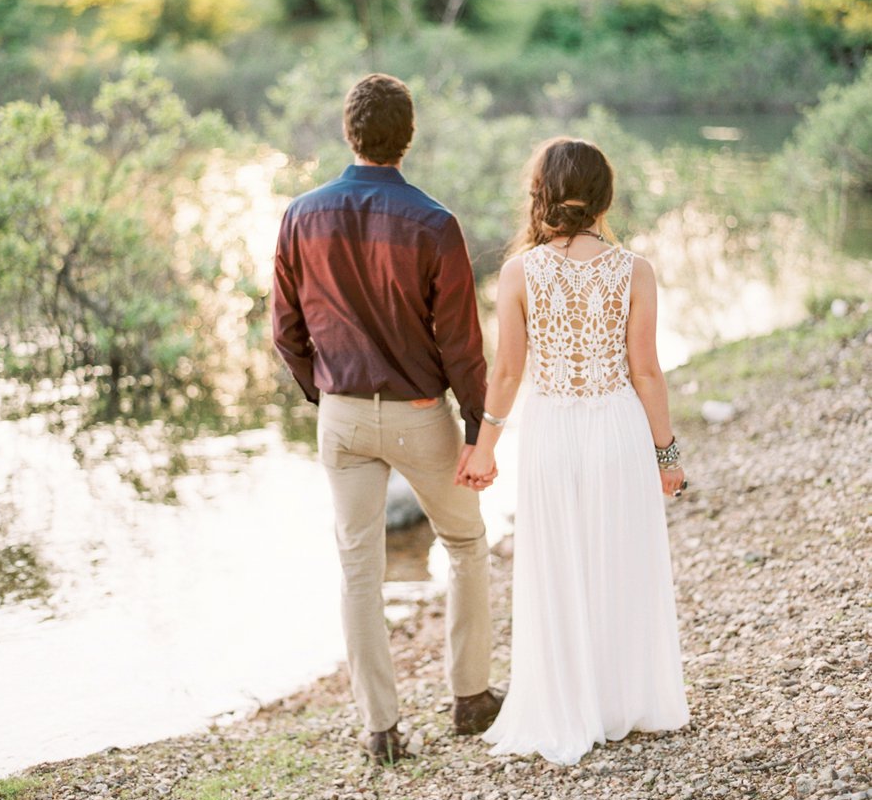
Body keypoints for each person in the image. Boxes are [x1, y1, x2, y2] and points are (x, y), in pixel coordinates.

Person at [272, 72, 503, 764]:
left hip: (341, 416)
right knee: (464, 545)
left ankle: (381, 728)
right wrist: (476, 430)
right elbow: (462, 344)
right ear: (408, 137)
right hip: (420, 413)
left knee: (358, 572)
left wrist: (328, 395)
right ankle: (470, 698)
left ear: (350, 134)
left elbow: (285, 331)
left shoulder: (300, 215)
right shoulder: (434, 222)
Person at [459, 137, 690, 764]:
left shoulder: (518, 272)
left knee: (558, 565)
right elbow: (647, 372)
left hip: (552, 431)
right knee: (620, 559)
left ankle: (568, 704)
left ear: (541, 193)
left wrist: (484, 450)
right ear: (603, 197)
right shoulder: (634, 270)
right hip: (617, 428)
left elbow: (505, 375)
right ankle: (624, 702)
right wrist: (667, 456)